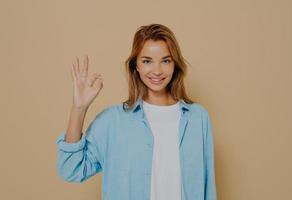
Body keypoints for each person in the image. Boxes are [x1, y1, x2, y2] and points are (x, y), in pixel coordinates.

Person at [56, 23, 217, 200]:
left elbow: (208, 188)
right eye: (147, 61)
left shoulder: (198, 118)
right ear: (136, 66)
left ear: (175, 65)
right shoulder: (113, 120)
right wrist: (79, 108)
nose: (157, 71)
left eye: (166, 60)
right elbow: (71, 169)